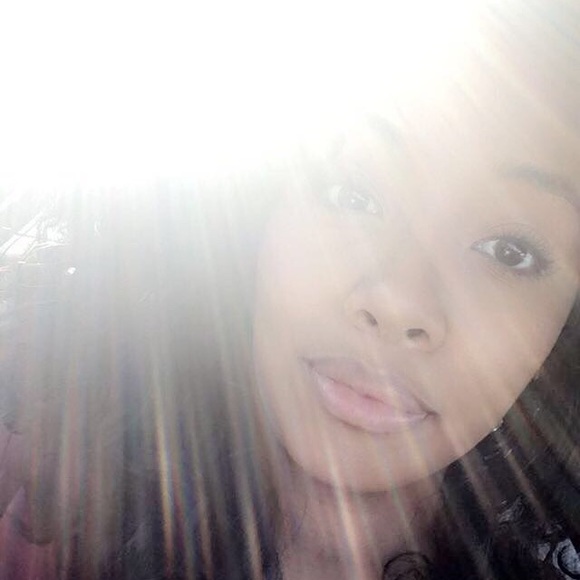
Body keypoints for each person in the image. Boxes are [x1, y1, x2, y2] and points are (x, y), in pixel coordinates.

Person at [1, 1, 580, 578]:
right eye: (353, 194)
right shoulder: (36, 475)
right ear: (257, 207)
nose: (398, 299)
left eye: (510, 251)